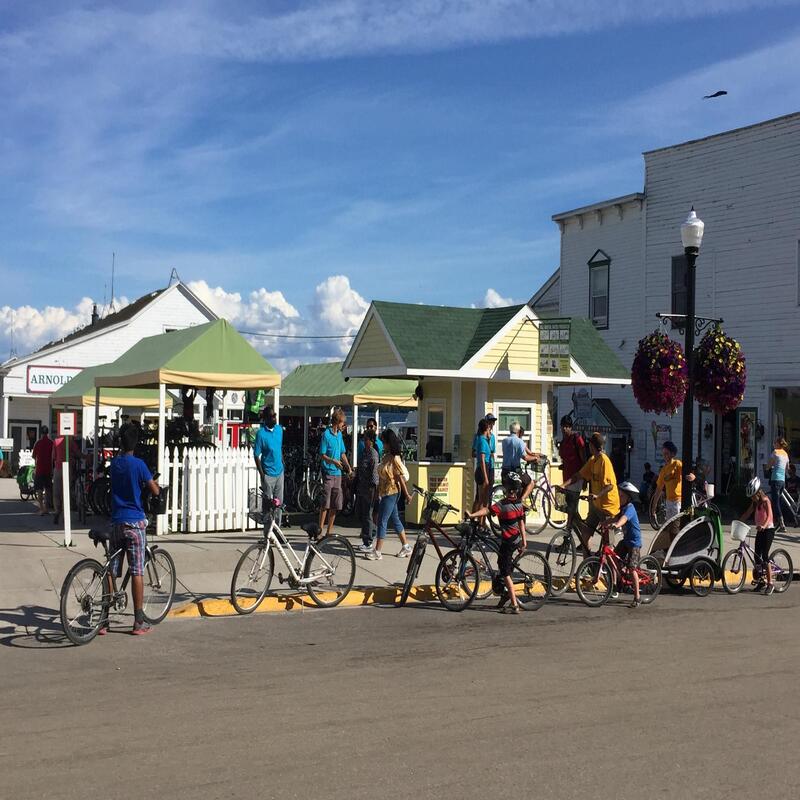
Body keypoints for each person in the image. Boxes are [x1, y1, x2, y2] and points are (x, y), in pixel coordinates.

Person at [106, 425, 160, 635]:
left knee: (112, 570)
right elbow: (154, 490)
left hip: (116, 522)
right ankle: (138, 621)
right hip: (135, 523)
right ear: (135, 443)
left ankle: (104, 618)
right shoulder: (139, 465)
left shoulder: (115, 464)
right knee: (137, 570)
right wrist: (153, 483)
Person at [467, 471, 527, 614]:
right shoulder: (519, 505)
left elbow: (487, 510)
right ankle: (505, 595)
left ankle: (514, 605)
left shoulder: (502, 505)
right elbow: (522, 524)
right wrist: (524, 542)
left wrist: (472, 515)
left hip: (508, 541)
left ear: (506, 488)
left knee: (505, 571)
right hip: (516, 539)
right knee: (503, 565)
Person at [562, 432, 620, 556]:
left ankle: (611, 571)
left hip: (607, 507)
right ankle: (588, 565)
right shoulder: (593, 460)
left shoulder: (605, 461)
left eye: (589, 444)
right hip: (596, 505)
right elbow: (579, 475)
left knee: (607, 543)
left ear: (592, 446)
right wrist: (563, 485)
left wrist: (598, 495)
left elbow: (610, 486)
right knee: (585, 534)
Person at [367, 428, 412, 560]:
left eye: (384, 442)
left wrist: (407, 494)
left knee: (382, 520)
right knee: (395, 519)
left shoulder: (394, 458)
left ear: (389, 443)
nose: (382, 444)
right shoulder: (387, 456)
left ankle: (378, 551)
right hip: (386, 492)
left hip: (391, 492)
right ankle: (406, 546)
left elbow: (399, 477)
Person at [319, 408, 352, 536]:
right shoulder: (326, 435)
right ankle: (320, 530)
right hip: (328, 472)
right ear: (337, 422)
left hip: (338, 473)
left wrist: (347, 466)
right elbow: (322, 454)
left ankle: (329, 531)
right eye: (342, 422)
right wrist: (333, 461)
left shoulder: (339, 435)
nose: (343, 425)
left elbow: (342, 453)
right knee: (325, 503)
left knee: (335, 504)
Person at [609, 481, 643, 608]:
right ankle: (619, 580)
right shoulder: (622, 509)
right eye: (619, 495)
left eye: (622, 496)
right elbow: (615, 517)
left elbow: (622, 519)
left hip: (634, 543)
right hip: (626, 541)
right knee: (612, 556)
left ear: (628, 497)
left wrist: (617, 525)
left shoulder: (630, 508)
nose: (619, 498)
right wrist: (605, 523)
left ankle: (637, 598)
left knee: (632, 569)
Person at [740, 477, 775, 595]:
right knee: (757, 557)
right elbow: (747, 513)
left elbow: (769, 516)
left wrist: (764, 525)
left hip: (768, 530)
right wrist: (738, 521)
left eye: (753, 496)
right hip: (760, 531)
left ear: (758, 492)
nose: (752, 498)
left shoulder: (765, 501)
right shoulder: (755, 503)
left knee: (765, 556)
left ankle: (770, 584)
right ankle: (761, 581)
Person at [253, 405, 284, 527]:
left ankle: (277, 530)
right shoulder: (261, 434)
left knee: (279, 504)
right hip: (268, 474)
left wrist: (282, 462)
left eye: (275, 415)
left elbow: (279, 448)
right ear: (265, 419)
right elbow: (256, 455)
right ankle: (267, 534)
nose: (274, 418)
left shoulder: (279, 430)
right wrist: (262, 475)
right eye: (271, 416)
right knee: (268, 506)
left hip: (279, 472)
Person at [652, 441, 685, 539]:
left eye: (667, 453)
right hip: (668, 501)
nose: (665, 456)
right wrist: (654, 506)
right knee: (669, 526)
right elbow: (659, 489)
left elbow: (687, 472)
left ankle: (676, 547)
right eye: (663, 454)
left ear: (672, 453)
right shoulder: (664, 470)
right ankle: (670, 547)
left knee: (676, 526)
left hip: (678, 500)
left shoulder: (677, 464)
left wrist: (692, 476)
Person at [501, 422, 539, 503]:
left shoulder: (504, 441)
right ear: (518, 431)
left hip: (505, 471)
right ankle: (522, 499)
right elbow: (525, 457)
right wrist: (535, 458)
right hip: (515, 471)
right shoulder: (520, 442)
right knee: (531, 483)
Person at [356, 429, 379, 553]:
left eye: (366, 439)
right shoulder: (364, 452)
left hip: (370, 489)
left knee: (367, 515)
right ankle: (372, 532)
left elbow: (375, 475)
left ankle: (368, 541)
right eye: (364, 439)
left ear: (371, 441)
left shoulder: (373, 454)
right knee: (360, 513)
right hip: (361, 487)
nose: (364, 442)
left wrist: (374, 491)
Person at [558, 417, 586, 517]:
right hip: (566, 479)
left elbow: (584, 460)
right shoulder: (562, 443)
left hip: (576, 478)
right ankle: (578, 530)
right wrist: (562, 466)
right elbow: (564, 459)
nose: (565, 429)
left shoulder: (577, 439)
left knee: (572, 508)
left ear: (571, 427)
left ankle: (581, 531)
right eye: (563, 426)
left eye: (567, 426)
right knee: (569, 509)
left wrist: (585, 479)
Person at [52, 434, 82, 526]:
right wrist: (86, 456)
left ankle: (57, 510)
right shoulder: (70, 442)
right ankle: (65, 515)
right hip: (68, 468)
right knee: (66, 492)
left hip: (57, 468)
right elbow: (78, 453)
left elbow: (53, 456)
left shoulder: (56, 441)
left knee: (56, 492)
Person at [767, 437, 789, 532]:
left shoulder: (775, 452)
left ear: (778, 444)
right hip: (782, 480)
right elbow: (787, 468)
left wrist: (767, 467)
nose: (773, 444)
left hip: (775, 479)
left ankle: (781, 524)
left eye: (774, 443)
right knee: (779, 502)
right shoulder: (785, 454)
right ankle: (778, 523)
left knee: (775, 503)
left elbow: (769, 464)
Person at [31, 427, 54, 517]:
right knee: (48, 489)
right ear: (47, 433)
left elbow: (33, 456)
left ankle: (41, 508)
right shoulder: (51, 443)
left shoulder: (38, 443)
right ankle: (47, 508)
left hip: (40, 469)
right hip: (48, 469)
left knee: (39, 489)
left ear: (41, 433)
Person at [472, 418, 492, 513]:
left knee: (483, 499)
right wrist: (486, 478)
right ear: (487, 428)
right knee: (481, 500)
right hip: (482, 470)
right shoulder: (482, 441)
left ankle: (480, 522)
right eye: (489, 428)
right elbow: (482, 460)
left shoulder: (483, 439)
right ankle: (476, 521)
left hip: (483, 468)